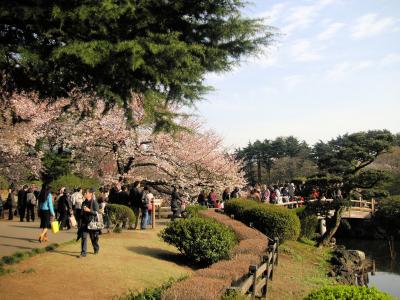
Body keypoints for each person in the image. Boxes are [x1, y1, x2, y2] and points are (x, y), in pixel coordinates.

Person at [79, 188, 100, 257]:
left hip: (92, 223)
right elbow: (81, 214)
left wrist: (89, 210)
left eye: (86, 193)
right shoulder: (84, 202)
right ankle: (83, 252)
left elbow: (97, 213)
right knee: (84, 237)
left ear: (90, 194)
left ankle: (96, 248)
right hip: (84, 222)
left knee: (93, 238)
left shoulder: (94, 202)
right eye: (84, 193)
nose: (84, 194)